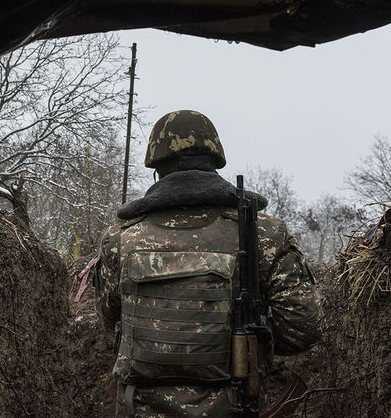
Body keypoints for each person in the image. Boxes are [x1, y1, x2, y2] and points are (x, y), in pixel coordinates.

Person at [94, 110, 321, 417]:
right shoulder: (263, 233)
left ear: (157, 168)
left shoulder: (119, 238)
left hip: (138, 408)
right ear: (215, 161)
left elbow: (109, 319)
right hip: (232, 406)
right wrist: (249, 334)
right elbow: (300, 330)